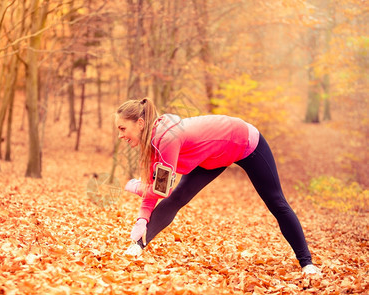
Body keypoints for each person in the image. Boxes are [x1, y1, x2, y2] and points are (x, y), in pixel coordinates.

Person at [115, 98, 320, 274]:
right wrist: (142, 217)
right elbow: (155, 186)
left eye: (123, 128)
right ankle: (138, 246)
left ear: (140, 123)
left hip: (243, 141)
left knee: (276, 202)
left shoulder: (167, 138)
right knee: (178, 198)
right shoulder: (151, 144)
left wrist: (135, 187)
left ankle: (307, 263)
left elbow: (160, 189)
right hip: (212, 157)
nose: (120, 135)